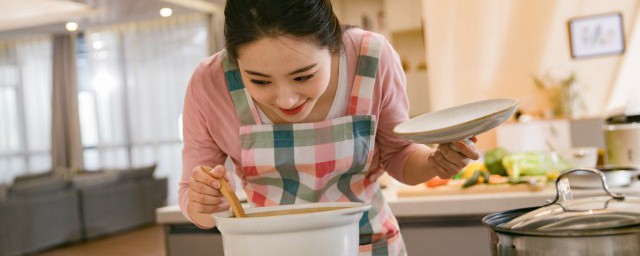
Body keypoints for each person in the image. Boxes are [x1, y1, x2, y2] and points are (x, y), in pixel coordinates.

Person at [179, 0, 479, 255]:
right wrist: (203, 203)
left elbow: (399, 156)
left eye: (303, 76)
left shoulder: (371, 58)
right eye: (259, 81)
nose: (286, 99)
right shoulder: (210, 83)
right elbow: (193, 196)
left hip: (364, 244)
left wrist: (435, 163)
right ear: (233, 59)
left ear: (335, 46)